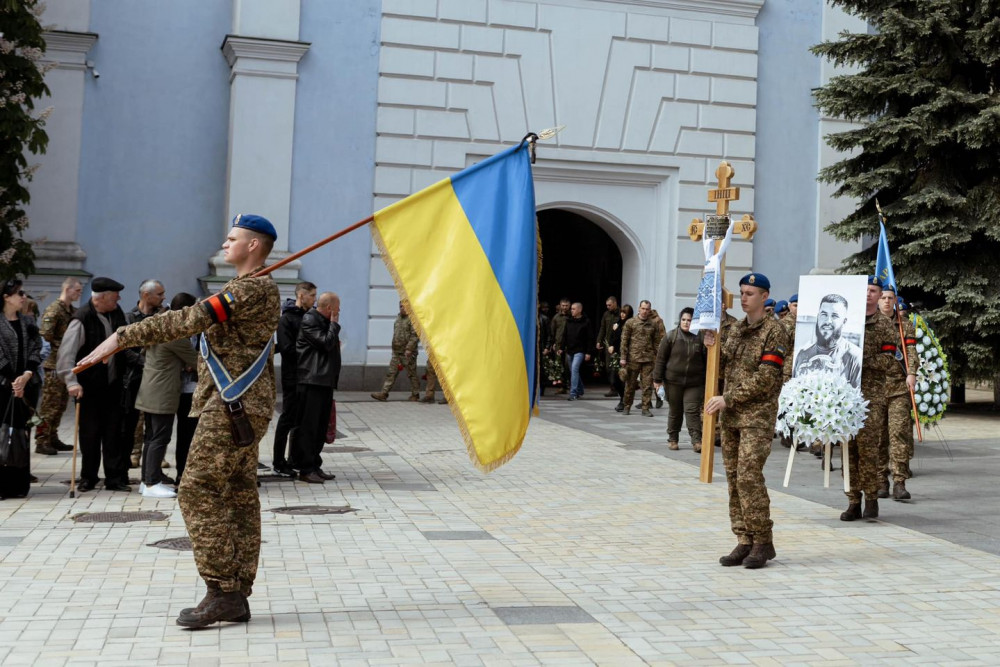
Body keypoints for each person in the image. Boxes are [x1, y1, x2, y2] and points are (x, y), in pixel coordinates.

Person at [78, 214, 281, 627]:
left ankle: (222, 588)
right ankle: (237, 591)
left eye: (232, 238)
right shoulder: (250, 287)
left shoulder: (251, 289)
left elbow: (188, 319)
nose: (225, 244)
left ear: (254, 246)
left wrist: (122, 337)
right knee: (238, 493)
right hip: (240, 403)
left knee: (196, 487)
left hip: (231, 405)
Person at [704, 272, 789, 569]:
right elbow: (724, 364)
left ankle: (763, 541)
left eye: (750, 293)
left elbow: (766, 377)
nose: (743, 298)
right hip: (732, 417)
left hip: (756, 415)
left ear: (764, 297)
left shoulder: (774, 331)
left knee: (749, 475)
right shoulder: (737, 329)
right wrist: (712, 345)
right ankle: (744, 538)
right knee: (733, 478)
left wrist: (729, 398)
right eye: (741, 292)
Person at [57, 277, 130, 492]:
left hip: (113, 386)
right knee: (90, 434)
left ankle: (114, 478)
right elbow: (66, 355)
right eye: (115, 296)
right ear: (102, 297)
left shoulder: (117, 314)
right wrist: (71, 382)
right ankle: (88, 477)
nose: (119, 299)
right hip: (88, 388)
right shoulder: (81, 319)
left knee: (113, 433)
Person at [840, 276, 903, 522]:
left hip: (871, 396)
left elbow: (889, 361)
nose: (868, 294)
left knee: (868, 449)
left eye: (873, 290)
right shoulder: (849, 322)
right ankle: (852, 500)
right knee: (848, 448)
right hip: (846, 395)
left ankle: (871, 497)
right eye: (865, 290)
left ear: (879, 295)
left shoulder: (886, 326)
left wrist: (859, 359)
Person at [133, 293, 200, 498]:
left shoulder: (159, 328)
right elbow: (198, 361)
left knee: (151, 437)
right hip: (163, 392)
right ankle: (152, 483)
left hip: (150, 390)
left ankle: (147, 481)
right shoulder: (174, 335)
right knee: (160, 437)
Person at [291, 291, 341, 483]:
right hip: (312, 380)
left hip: (323, 381)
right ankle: (305, 468)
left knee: (320, 427)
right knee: (309, 427)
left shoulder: (322, 322)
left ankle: (315, 464)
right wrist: (334, 324)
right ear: (329, 308)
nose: (339, 312)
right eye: (337, 309)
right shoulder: (310, 320)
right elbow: (326, 343)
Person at [0, 280, 42, 498]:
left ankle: (17, 484)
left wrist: (26, 375)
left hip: (26, 386)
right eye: (19, 293)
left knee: (20, 435)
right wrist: (13, 380)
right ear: (6, 297)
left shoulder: (27, 321)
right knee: (2, 434)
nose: (23, 297)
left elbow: (37, 347)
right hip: (3, 387)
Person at [876, 287, 918, 501]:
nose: (885, 301)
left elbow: (910, 350)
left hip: (899, 386)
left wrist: (911, 373)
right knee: (879, 437)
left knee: (899, 433)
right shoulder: (869, 324)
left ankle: (899, 481)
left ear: (895, 301)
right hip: (874, 387)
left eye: (889, 298)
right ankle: (881, 480)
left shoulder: (904, 325)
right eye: (882, 297)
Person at [122, 280, 167, 470]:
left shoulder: (164, 317)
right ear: (146, 295)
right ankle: (134, 453)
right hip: (135, 376)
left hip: (157, 378)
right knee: (135, 418)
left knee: (156, 416)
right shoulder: (129, 318)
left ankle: (156, 456)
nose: (163, 297)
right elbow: (124, 349)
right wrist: (146, 364)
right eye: (159, 294)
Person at [272, 281, 316, 476]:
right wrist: (310, 352)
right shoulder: (287, 319)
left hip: (307, 375)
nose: (314, 299)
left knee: (301, 419)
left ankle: (295, 459)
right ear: (301, 295)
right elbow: (287, 349)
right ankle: (278, 462)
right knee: (287, 418)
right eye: (312, 295)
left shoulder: (309, 316)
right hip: (292, 375)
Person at [36, 277, 82, 455]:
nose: (78, 293)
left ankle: (52, 437)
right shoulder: (55, 310)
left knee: (61, 404)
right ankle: (41, 440)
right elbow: (45, 335)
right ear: (68, 289)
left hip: (66, 363)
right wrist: (63, 347)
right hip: (54, 364)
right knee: (50, 406)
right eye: (77, 290)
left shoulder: (71, 311)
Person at [653, 307, 706, 452]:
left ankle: (696, 440)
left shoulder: (700, 338)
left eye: (689, 320)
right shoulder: (671, 336)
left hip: (694, 383)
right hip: (673, 381)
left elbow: (707, 361)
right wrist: (657, 379)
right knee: (675, 411)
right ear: (680, 320)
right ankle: (673, 439)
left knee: (692, 410)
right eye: (683, 320)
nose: (686, 323)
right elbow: (660, 359)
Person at [792, 294, 863, 388]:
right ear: (818, 317)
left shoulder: (855, 357)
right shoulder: (803, 354)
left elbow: (857, 398)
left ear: (844, 321)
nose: (828, 321)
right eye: (824, 315)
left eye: (834, 316)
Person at [619, 300, 664, 416]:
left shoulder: (653, 324)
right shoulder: (630, 323)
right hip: (633, 358)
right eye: (643, 308)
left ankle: (645, 407)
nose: (645, 311)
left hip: (648, 359)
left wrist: (658, 358)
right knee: (630, 384)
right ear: (639, 309)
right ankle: (627, 406)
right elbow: (624, 341)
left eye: (647, 309)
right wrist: (623, 357)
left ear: (650, 310)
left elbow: (657, 342)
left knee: (647, 385)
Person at [371, 302, 419, 401]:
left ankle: (415, 394)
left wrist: (409, 349)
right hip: (397, 352)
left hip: (408, 353)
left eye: (404, 307)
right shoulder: (398, 319)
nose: (402, 308)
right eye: (400, 306)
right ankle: (384, 393)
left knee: (412, 374)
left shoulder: (413, 320)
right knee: (391, 373)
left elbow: (414, 336)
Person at [561, 302, 593, 400]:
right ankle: (580, 389)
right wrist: (561, 347)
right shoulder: (569, 321)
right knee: (573, 371)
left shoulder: (586, 322)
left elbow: (590, 338)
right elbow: (564, 335)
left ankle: (573, 393)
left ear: (580, 310)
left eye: (574, 309)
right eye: (571, 309)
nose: (572, 310)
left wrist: (588, 352)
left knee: (575, 369)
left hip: (580, 350)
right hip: (570, 350)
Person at [607, 304, 632, 412]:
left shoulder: (631, 324)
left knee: (625, 380)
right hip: (617, 355)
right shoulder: (617, 323)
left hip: (628, 356)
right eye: (621, 312)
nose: (622, 314)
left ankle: (624, 401)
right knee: (615, 379)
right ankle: (623, 398)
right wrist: (611, 346)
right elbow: (612, 338)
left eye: (625, 312)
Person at [595, 296, 619, 397]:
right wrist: (599, 341)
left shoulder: (620, 313)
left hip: (617, 343)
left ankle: (617, 387)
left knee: (616, 367)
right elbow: (602, 328)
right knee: (608, 367)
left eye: (609, 305)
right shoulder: (606, 314)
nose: (608, 307)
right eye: (607, 305)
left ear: (615, 303)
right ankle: (613, 387)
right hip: (607, 344)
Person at [549, 299, 571, 393]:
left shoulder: (572, 316)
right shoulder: (556, 317)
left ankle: (569, 384)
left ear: (569, 306)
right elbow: (552, 332)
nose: (564, 307)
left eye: (566, 305)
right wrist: (552, 343)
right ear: (560, 306)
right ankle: (562, 386)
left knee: (568, 365)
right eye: (563, 305)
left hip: (569, 344)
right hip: (558, 344)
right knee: (559, 365)